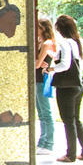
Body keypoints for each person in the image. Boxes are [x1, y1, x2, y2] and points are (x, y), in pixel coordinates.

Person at [50, 14, 83, 162]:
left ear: (60, 29)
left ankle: (70, 154)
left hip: (66, 87)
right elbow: (81, 64)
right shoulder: (77, 43)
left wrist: (51, 69)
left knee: (68, 121)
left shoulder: (65, 43)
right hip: (77, 86)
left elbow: (64, 65)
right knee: (76, 120)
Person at [34, 16, 57, 154]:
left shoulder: (47, 43)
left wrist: (36, 61)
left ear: (43, 28)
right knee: (41, 113)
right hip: (37, 79)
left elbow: (37, 64)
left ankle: (48, 144)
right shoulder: (40, 42)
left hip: (42, 79)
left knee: (45, 112)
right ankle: (42, 142)